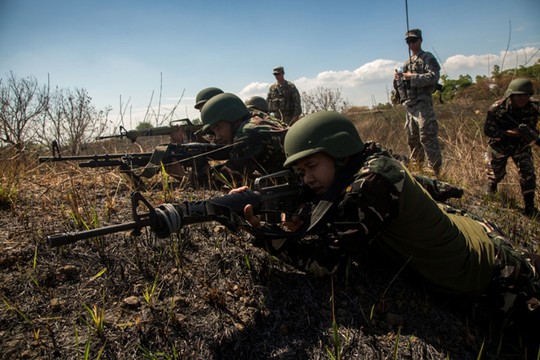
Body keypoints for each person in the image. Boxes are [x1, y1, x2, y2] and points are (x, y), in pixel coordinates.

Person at [234, 111, 540, 350]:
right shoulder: (369, 157)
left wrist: (268, 237)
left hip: (496, 278)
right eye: (300, 172)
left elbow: (328, 264)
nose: (307, 179)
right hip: (477, 234)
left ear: (340, 154)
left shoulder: (371, 182)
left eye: (312, 166)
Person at [200, 92, 288, 186]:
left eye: (218, 128)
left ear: (233, 120)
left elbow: (231, 176)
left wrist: (202, 169)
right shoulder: (255, 116)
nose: (217, 137)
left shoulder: (247, 133)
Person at [393, 28, 442, 176]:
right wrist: (398, 79)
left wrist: (412, 77)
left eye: (414, 40)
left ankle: (434, 170)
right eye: (408, 41)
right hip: (409, 105)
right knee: (412, 138)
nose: (411, 44)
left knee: (427, 135)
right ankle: (417, 168)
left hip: (423, 103)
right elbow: (400, 88)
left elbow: (434, 77)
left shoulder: (427, 57)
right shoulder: (406, 63)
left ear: (420, 40)